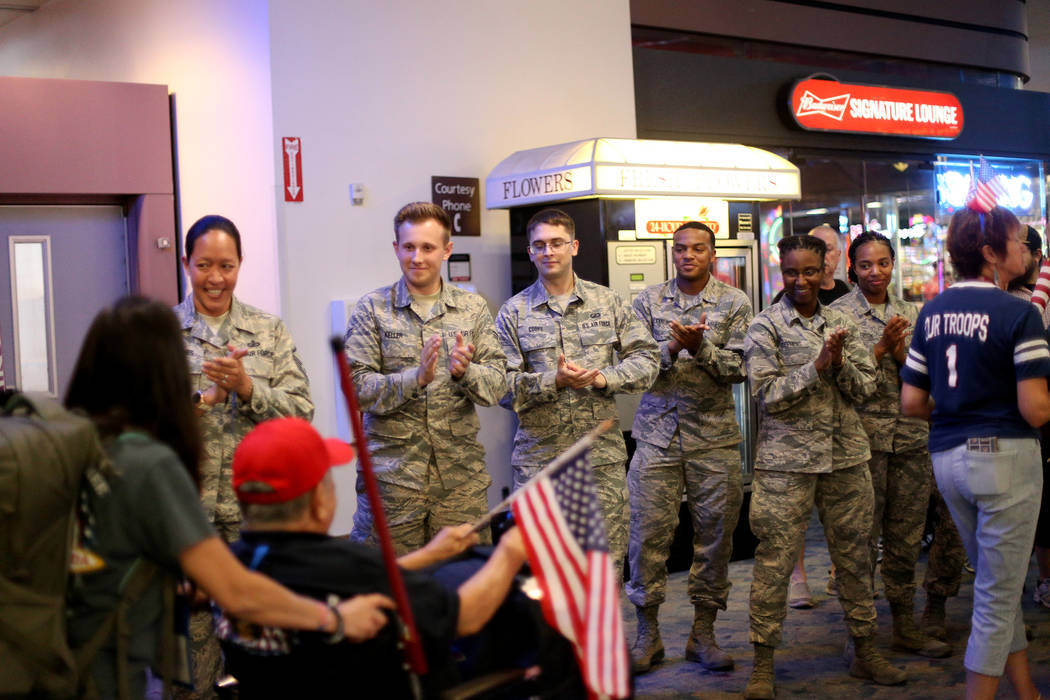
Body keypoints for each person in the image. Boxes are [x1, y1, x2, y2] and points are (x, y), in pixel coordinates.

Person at [64, 297, 391, 700]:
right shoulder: (146, 462)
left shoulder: (80, 442)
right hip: (108, 671)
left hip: (62, 656)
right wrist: (335, 618)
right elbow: (238, 592)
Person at [217, 416, 583, 698]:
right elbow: (467, 616)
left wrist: (427, 555)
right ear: (318, 503)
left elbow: (338, 584)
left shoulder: (231, 570)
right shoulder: (347, 564)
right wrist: (510, 551)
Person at [742, 235, 905, 700]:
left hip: (846, 458)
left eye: (809, 271)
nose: (800, 281)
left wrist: (838, 365)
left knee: (855, 559)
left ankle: (866, 650)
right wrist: (816, 365)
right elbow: (764, 394)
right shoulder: (764, 326)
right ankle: (762, 664)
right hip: (785, 465)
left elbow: (864, 389)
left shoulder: (842, 322)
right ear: (780, 270)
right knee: (773, 564)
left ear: (825, 270)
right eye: (791, 272)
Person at [901, 206, 1050, 700]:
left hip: (948, 458)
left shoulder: (932, 310)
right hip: (1006, 458)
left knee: (994, 585)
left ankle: (1025, 691)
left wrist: (961, 410)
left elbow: (912, 403)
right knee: (996, 595)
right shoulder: (1021, 312)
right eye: (1017, 240)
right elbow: (1036, 411)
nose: (1026, 249)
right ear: (990, 253)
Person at [174, 214, 314, 697]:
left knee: (266, 659)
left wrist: (249, 389)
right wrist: (203, 400)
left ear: (240, 266)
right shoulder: (161, 334)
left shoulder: (267, 331)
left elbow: (300, 415)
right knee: (190, 669)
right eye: (205, 265)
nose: (216, 278)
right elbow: (138, 426)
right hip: (186, 520)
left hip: (256, 518)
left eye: (227, 266)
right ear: (186, 262)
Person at [494, 208, 659, 582]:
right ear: (530, 251)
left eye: (556, 243)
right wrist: (552, 381)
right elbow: (500, 386)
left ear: (574, 246)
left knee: (605, 571)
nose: (548, 251)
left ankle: (600, 642)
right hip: (540, 463)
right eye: (539, 245)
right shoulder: (512, 313)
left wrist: (603, 378)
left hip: (599, 460)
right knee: (543, 572)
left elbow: (648, 360)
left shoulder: (608, 302)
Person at [625, 221, 752, 673]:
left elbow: (740, 369)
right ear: (671, 253)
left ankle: (703, 635)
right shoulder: (645, 301)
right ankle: (648, 636)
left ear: (713, 254)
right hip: (657, 439)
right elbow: (632, 367)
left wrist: (702, 350)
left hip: (714, 439)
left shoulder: (735, 303)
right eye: (680, 249)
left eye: (698, 249)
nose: (688, 256)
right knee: (646, 538)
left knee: (715, 541)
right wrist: (670, 348)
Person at [343, 202, 506, 553]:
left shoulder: (472, 308)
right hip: (392, 484)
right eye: (409, 247)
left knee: (464, 588)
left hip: (459, 483)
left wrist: (467, 372)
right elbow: (356, 388)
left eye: (428, 248)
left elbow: (497, 386)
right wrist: (413, 379)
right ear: (396, 248)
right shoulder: (372, 309)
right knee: (390, 592)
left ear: (447, 250)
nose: (417, 257)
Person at [830, 232, 950, 658]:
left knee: (905, 537)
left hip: (911, 441)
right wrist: (883, 351)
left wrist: (902, 356)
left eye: (882, 263)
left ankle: (904, 626)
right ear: (852, 268)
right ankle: (859, 637)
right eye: (865, 265)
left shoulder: (913, 313)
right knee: (859, 541)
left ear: (893, 264)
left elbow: (931, 376)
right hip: (860, 443)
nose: (874, 272)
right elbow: (838, 382)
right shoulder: (836, 316)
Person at [785, 223, 851, 606]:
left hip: (840, 432)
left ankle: (838, 575)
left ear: (836, 258)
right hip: (795, 434)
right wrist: (819, 364)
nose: (820, 261)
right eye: (814, 251)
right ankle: (798, 577)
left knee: (844, 519)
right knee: (794, 516)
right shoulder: (786, 300)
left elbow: (863, 378)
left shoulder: (845, 302)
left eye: (827, 251)